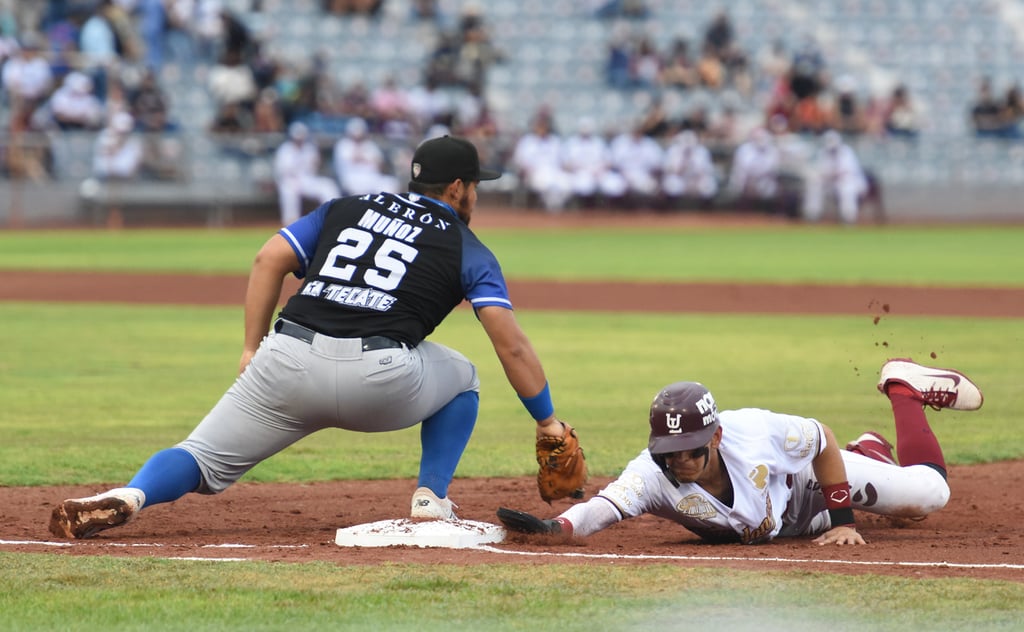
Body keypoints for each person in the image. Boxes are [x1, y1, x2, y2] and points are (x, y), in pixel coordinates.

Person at [49, 135, 575, 539]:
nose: (476, 194)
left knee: (201, 456)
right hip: (382, 382)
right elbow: (511, 344)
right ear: (458, 188)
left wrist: (252, 348)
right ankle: (430, 500)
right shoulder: (468, 246)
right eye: (475, 184)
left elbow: (268, 259)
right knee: (463, 377)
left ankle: (129, 495)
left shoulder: (345, 209)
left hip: (287, 361)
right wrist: (547, 421)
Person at [498, 358, 983, 545]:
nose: (678, 461)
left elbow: (821, 439)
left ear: (715, 437)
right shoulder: (653, 474)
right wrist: (554, 527)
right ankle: (872, 451)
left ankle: (903, 389)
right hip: (788, 524)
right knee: (904, 508)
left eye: (688, 449)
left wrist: (843, 522)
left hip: (810, 485)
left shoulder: (753, 431)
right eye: (668, 451)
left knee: (927, 499)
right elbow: (601, 508)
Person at [273, 121, 340, 225]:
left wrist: (317, 159)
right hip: (291, 180)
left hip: (307, 179)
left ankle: (333, 216)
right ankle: (290, 222)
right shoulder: (285, 149)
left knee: (328, 185)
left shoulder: (309, 148)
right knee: (288, 190)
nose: (300, 140)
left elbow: (316, 166)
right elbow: (282, 171)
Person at [802, 130, 868, 225]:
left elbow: (847, 172)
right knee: (814, 183)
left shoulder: (847, 152)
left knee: (846, 187)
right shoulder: (823, 153)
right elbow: (820, 170)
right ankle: (812, 215)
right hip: (831, 183)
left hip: (852, 182)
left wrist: (831, 175)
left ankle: (848, 218)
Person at [331, 116, 400, 196]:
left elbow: (380, 163)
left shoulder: (369, 144)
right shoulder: (343, 144)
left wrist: (368, 160)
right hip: (352, 179)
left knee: (391, 183)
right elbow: (351, 161)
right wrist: (366, 159)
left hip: (372, 177)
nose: (358, 133)